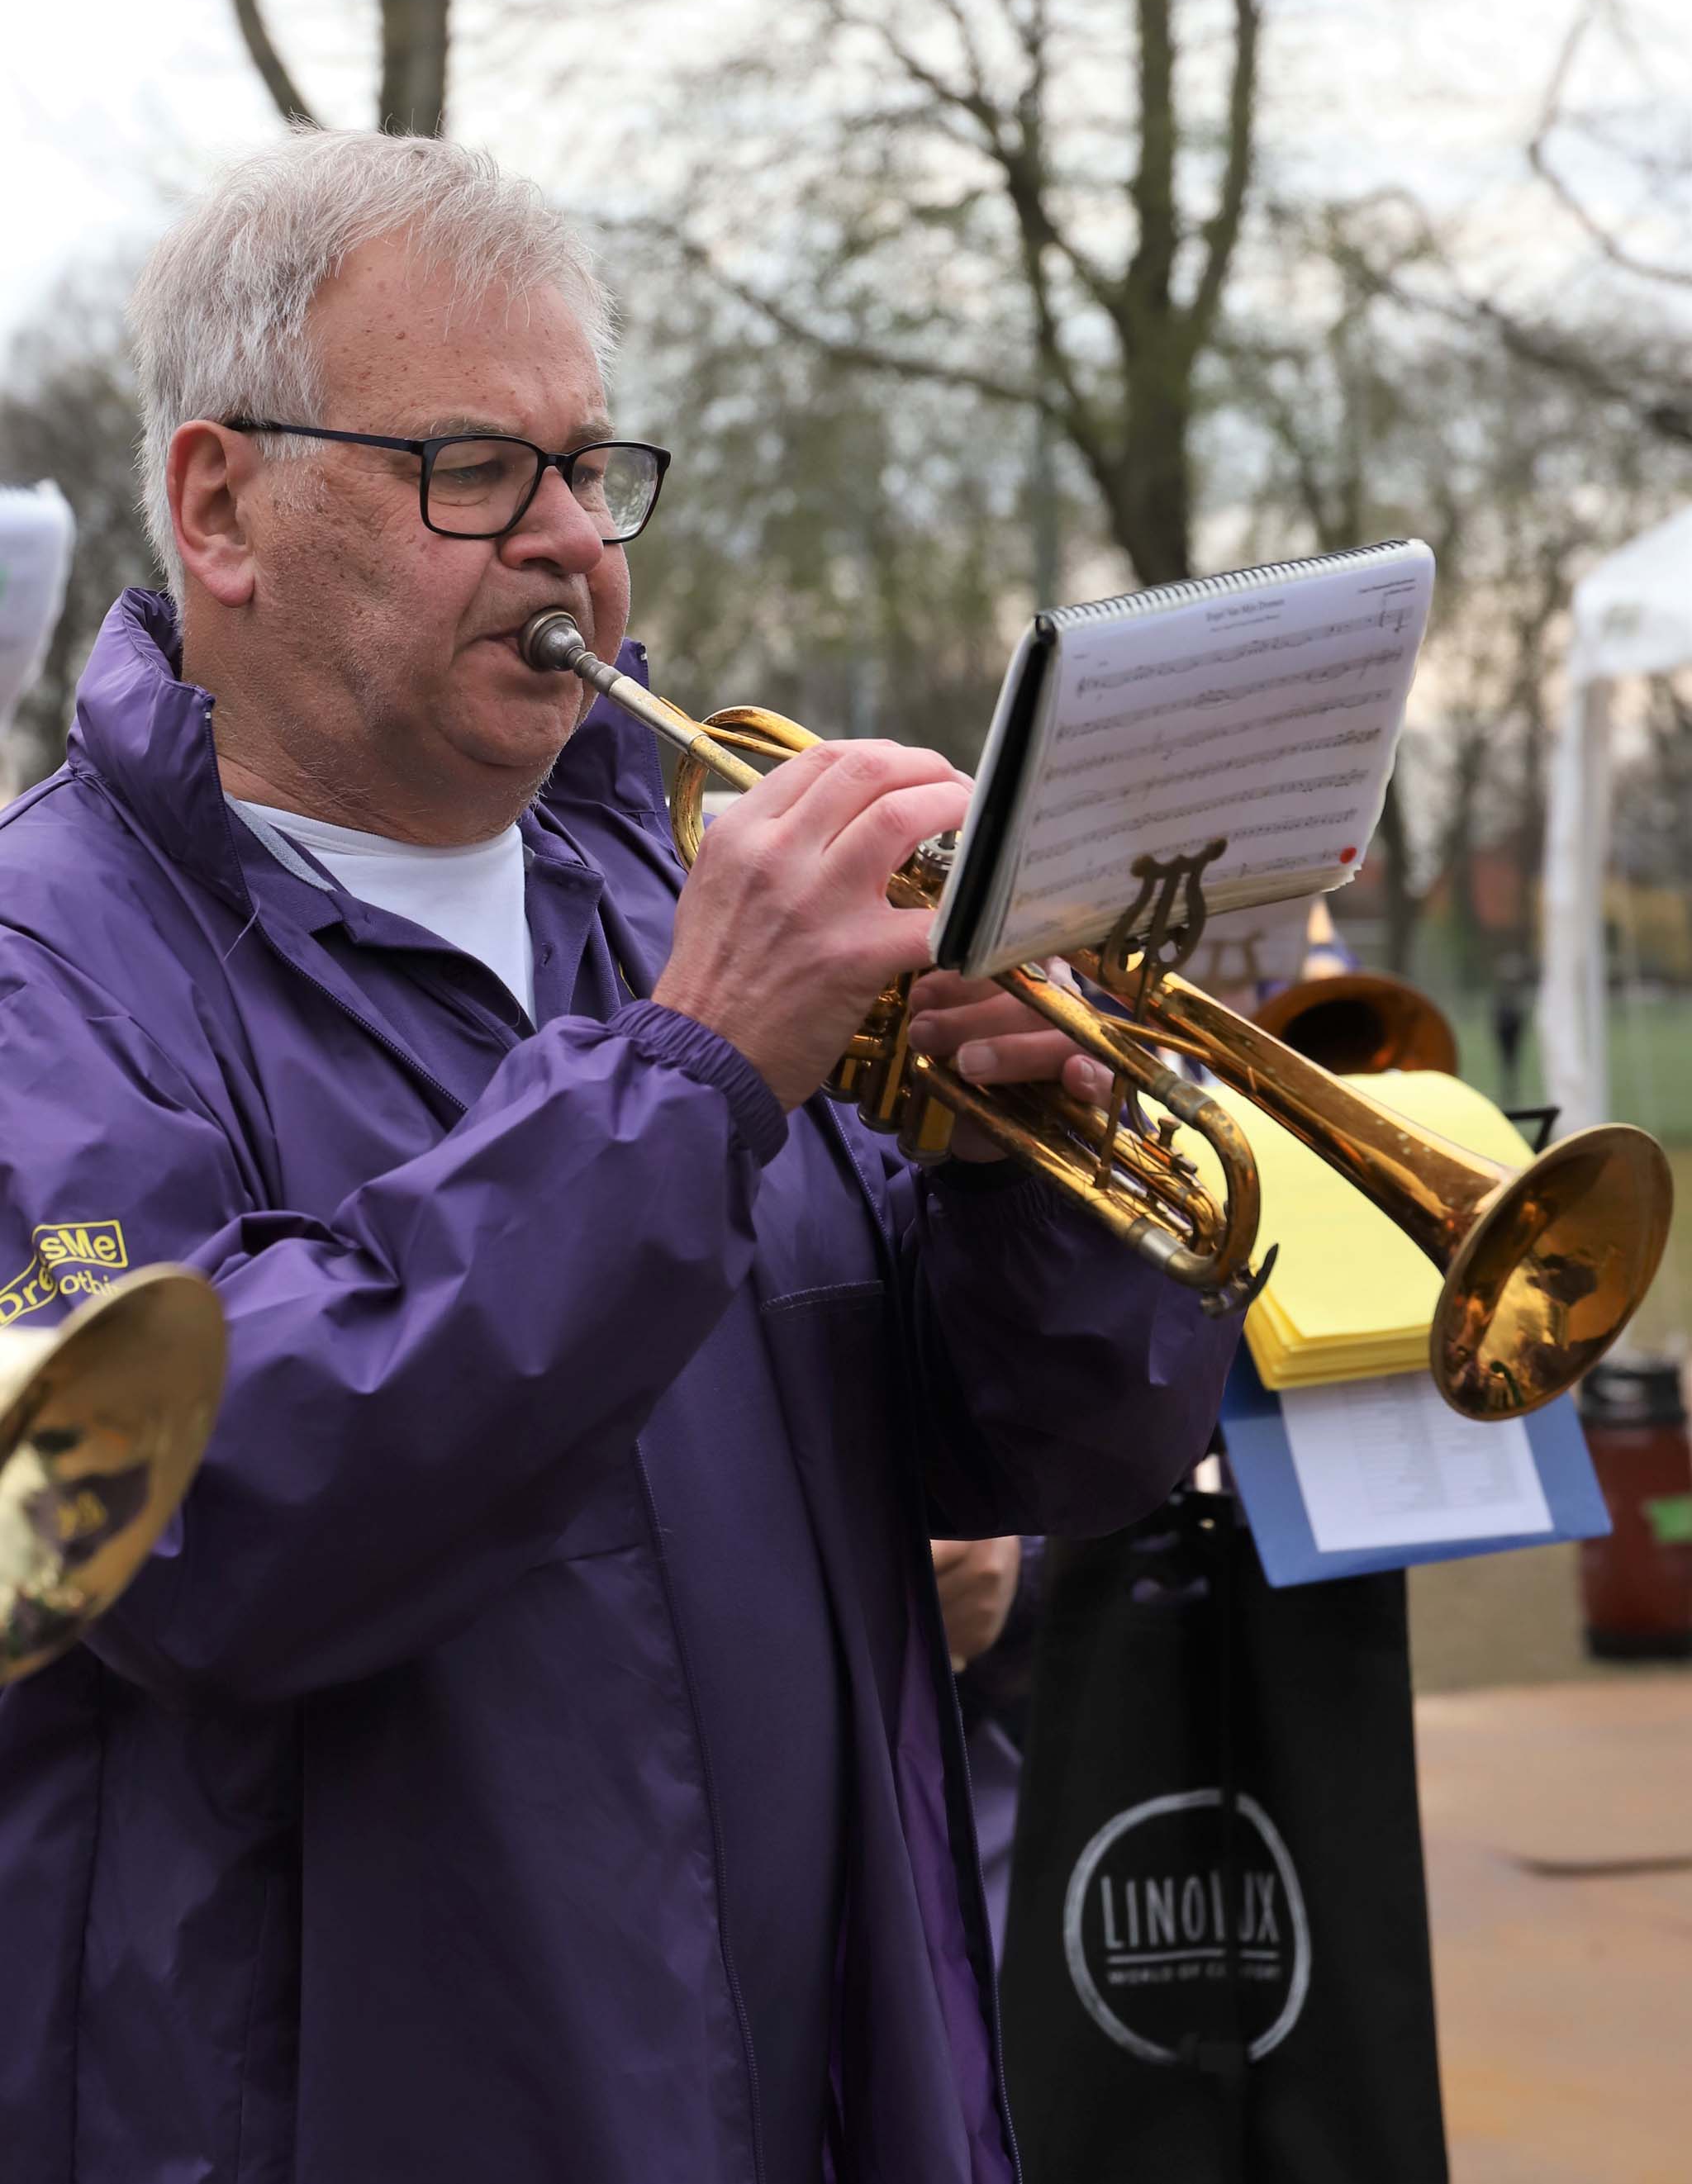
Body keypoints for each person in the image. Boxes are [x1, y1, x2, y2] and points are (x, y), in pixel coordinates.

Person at [0, 131, 1237, 2184]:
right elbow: (186, 1521)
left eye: (592, 469)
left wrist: (1039, 1159)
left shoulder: (648, 891)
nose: (569, 540)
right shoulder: (48, 968)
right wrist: (692, 1070)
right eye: (472, 470)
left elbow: (1044, 1452)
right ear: (223, 507)